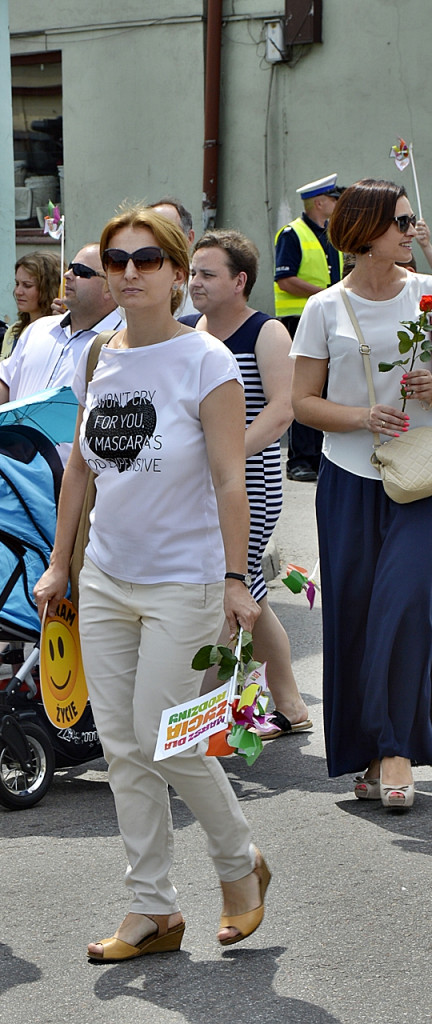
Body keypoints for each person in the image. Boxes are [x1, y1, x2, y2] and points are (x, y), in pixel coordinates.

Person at [34, 207, 269, 960]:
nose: (129, 272)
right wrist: (61, 563)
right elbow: (80, 466)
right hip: (105, 577)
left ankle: (241, 864)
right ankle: (152, 909)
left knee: (168, 742)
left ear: (175, 274)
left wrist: (237, 580)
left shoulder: (207, 362)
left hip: (186, 580)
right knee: (123, 747)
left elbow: (233, 482)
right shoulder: (99, 355)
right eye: (116, 259)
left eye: (147, 260)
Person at [290, 178, 432, 810]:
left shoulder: (427, 295)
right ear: (364, 233)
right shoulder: (323, 308)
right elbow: (301, 403)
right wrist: (361, 417)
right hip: (349, 477)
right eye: (400, 223)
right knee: (351, 613)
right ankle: (368, 754)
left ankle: (398, 748)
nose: (410, 232)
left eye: (409, 222)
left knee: (404, 607)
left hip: (420, 478)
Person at [181, 230, 311, 736]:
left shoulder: (267, 332)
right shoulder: (188, 332)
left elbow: (282, 410)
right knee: (247, 589)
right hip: (201, 481)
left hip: (249, 479)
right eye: (193, 272)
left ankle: (217, 713)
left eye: (207, 274)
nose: (195, 283)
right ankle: (291, 705)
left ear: (240, 280)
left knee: (232, 586)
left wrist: (227, 454)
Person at [0, 244, 122, 411]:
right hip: (19, 436)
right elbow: (6, 387)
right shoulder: (38, 329)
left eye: (80, 271)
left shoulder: (124, 343)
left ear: (109, 286)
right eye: (70, 267)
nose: (67, 275)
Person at [275, 173, 344, 482]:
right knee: (304, 390)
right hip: (298, 320)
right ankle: (300, 460)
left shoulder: (332, 234)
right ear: (320, 202)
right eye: (334, 200)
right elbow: (285, 278)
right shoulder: (293, 233)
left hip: (328, 319)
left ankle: (319, 458)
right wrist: (325, 294)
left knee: (325, 391)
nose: (337, 205)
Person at [0, 251, 63, 360]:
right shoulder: (13, 331)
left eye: (27, 285)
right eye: (17, 284)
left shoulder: (60, 334)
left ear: (47, 289)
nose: (18, 291)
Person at [148, 196, 199, 317]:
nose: (160, 240)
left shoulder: (204, 287)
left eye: (169, 232)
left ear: (189, 238)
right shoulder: (130, 281)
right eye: (152, 232)